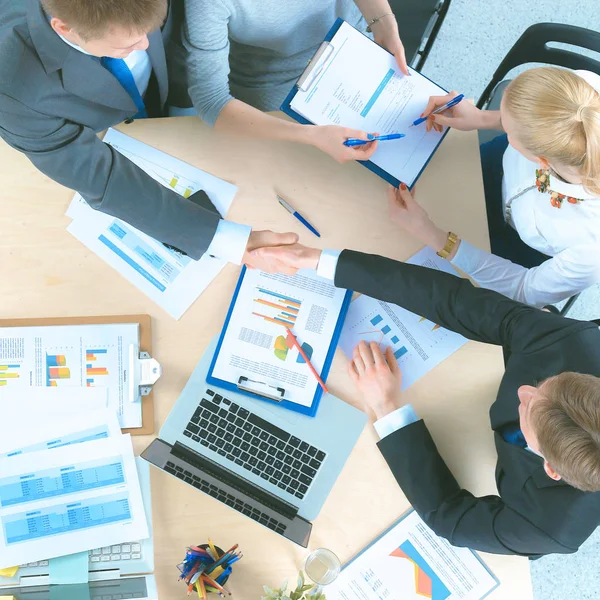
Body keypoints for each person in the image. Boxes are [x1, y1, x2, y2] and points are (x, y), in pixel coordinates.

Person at [251, 242, 600, 557]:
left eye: (530, 407)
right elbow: (458, 302)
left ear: (551, 469)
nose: (525, 390)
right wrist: (320, 261)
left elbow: (450, 518)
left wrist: (387, 406)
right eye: (546, 384)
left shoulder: (552, 528)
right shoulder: (578, 346)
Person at [0, 0, 299, 271]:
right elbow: (100, 177)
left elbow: (178, 39)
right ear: (65, 28)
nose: (145, 44)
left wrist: (183, 113)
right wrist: (230, 242)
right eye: (127, 44)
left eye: (148, 31)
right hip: (100, 130)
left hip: (171, 113)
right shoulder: (13, 88)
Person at [388, 66, 600, 307]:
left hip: (515, 246)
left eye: (509, 130)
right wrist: (483, 118)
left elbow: (524, 290)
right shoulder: (582, 90)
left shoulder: (591, 251)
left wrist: (434, 236)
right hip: (497, 165)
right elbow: (540, 126)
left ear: (541, 161)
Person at [172, 0, 408, 163]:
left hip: (347, 51)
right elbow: (211, 100)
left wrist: (384, 23)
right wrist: (309, 135)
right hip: (273, 88)